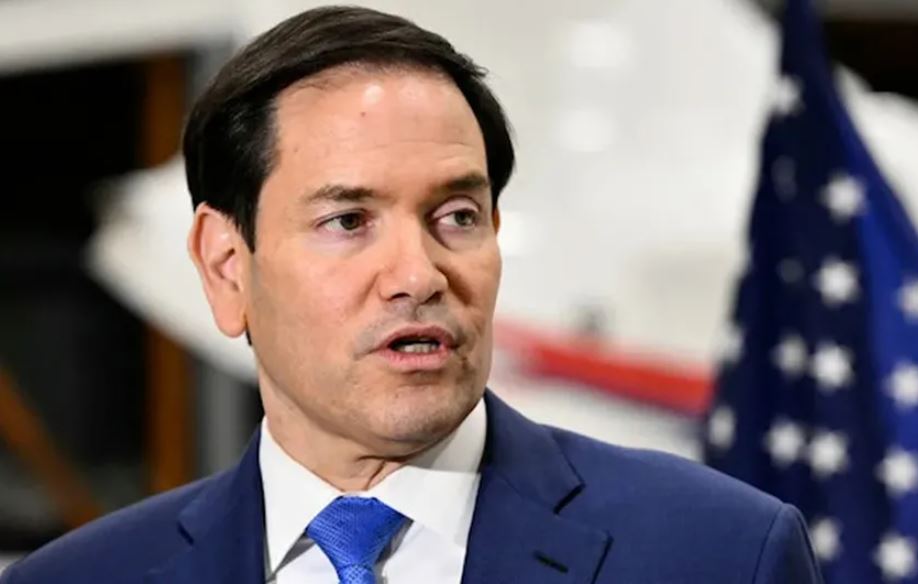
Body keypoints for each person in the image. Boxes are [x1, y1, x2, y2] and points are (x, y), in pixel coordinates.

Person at [1, 6, 823, 583]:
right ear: (225, 268)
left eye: (456, 216)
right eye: (348, 220)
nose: (419, 275)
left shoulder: (718, 553)